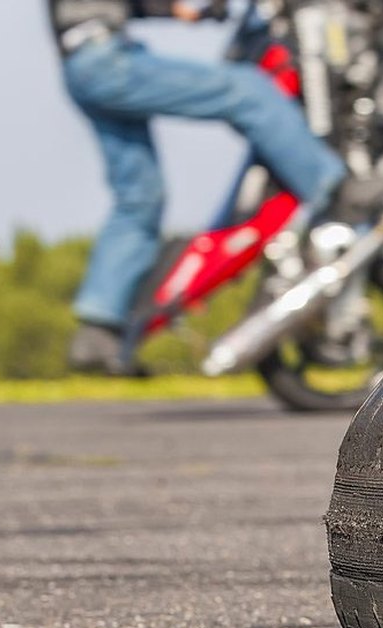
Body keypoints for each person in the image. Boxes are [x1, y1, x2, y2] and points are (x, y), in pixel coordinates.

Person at [49, 0, 348, 375]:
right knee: (248, 90)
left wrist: (176, 11)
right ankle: (333, 189)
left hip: (82, 63)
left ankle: (99, 331)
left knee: (140, 197)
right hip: (106, 60)